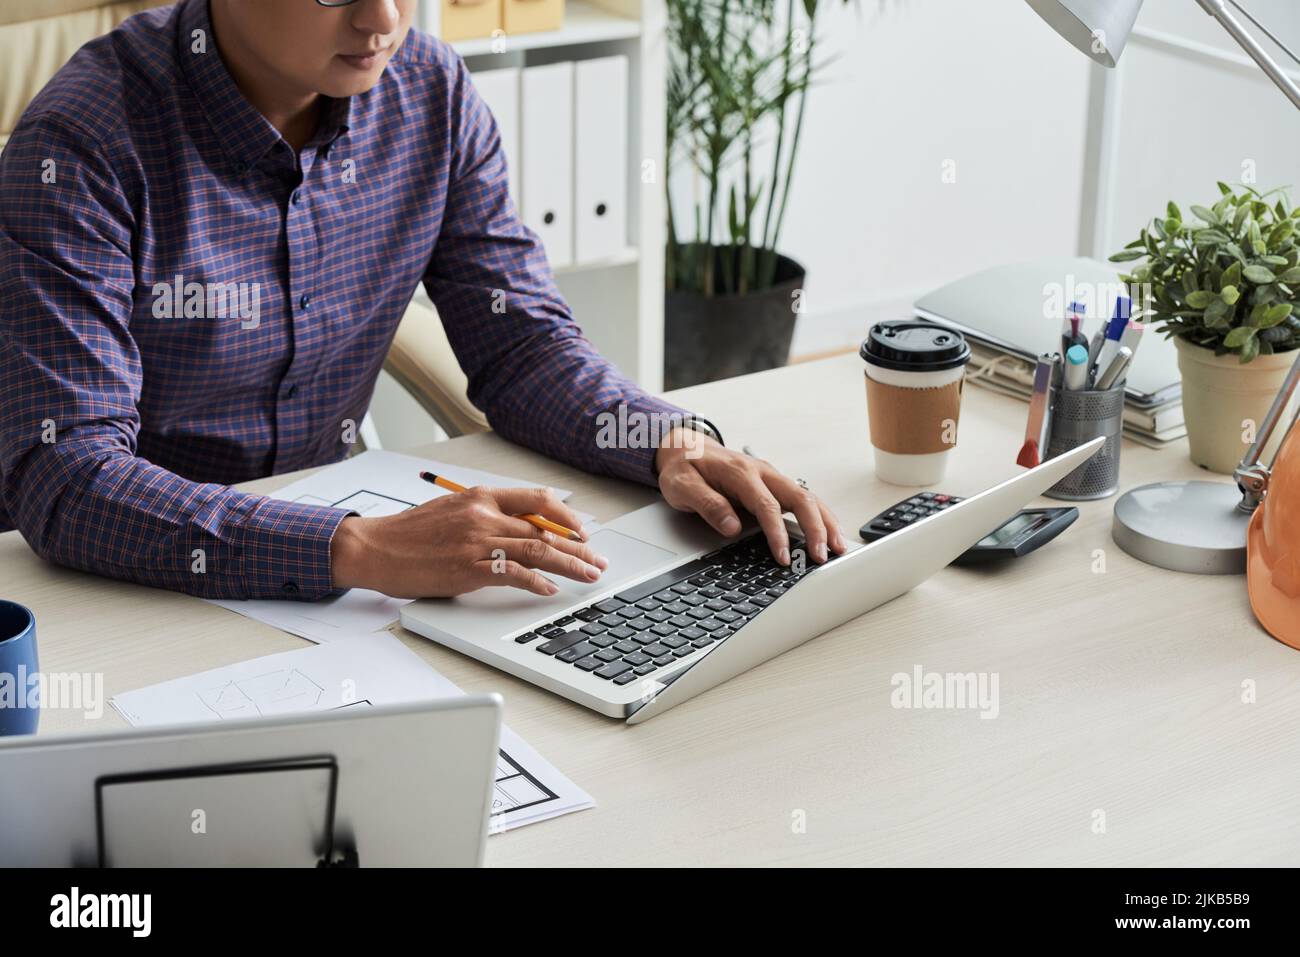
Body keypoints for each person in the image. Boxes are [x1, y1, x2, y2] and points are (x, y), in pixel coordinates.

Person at [0, 0, 845, 603]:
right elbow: (66, 475)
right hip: (119, 588)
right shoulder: (81, 145)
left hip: (339, 577)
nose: (382, 19)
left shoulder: (429, 95)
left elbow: (520, 348)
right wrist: (357, 548)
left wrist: (664, 440)